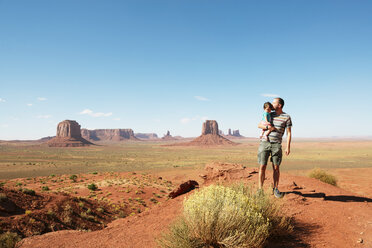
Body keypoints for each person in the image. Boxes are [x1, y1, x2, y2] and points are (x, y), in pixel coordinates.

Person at [257, 97, 292, 198]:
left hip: (276, 144)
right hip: (264, 143)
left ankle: (275, 188)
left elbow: (288, 133)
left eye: (274, 103)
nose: (271, 105)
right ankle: (260, 190)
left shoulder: (286, 117)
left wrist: (287, 147)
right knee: (262, 166)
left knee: (276, 167)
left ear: (279, 105)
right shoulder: (268, 114)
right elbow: (259, 125)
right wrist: (268, 127)